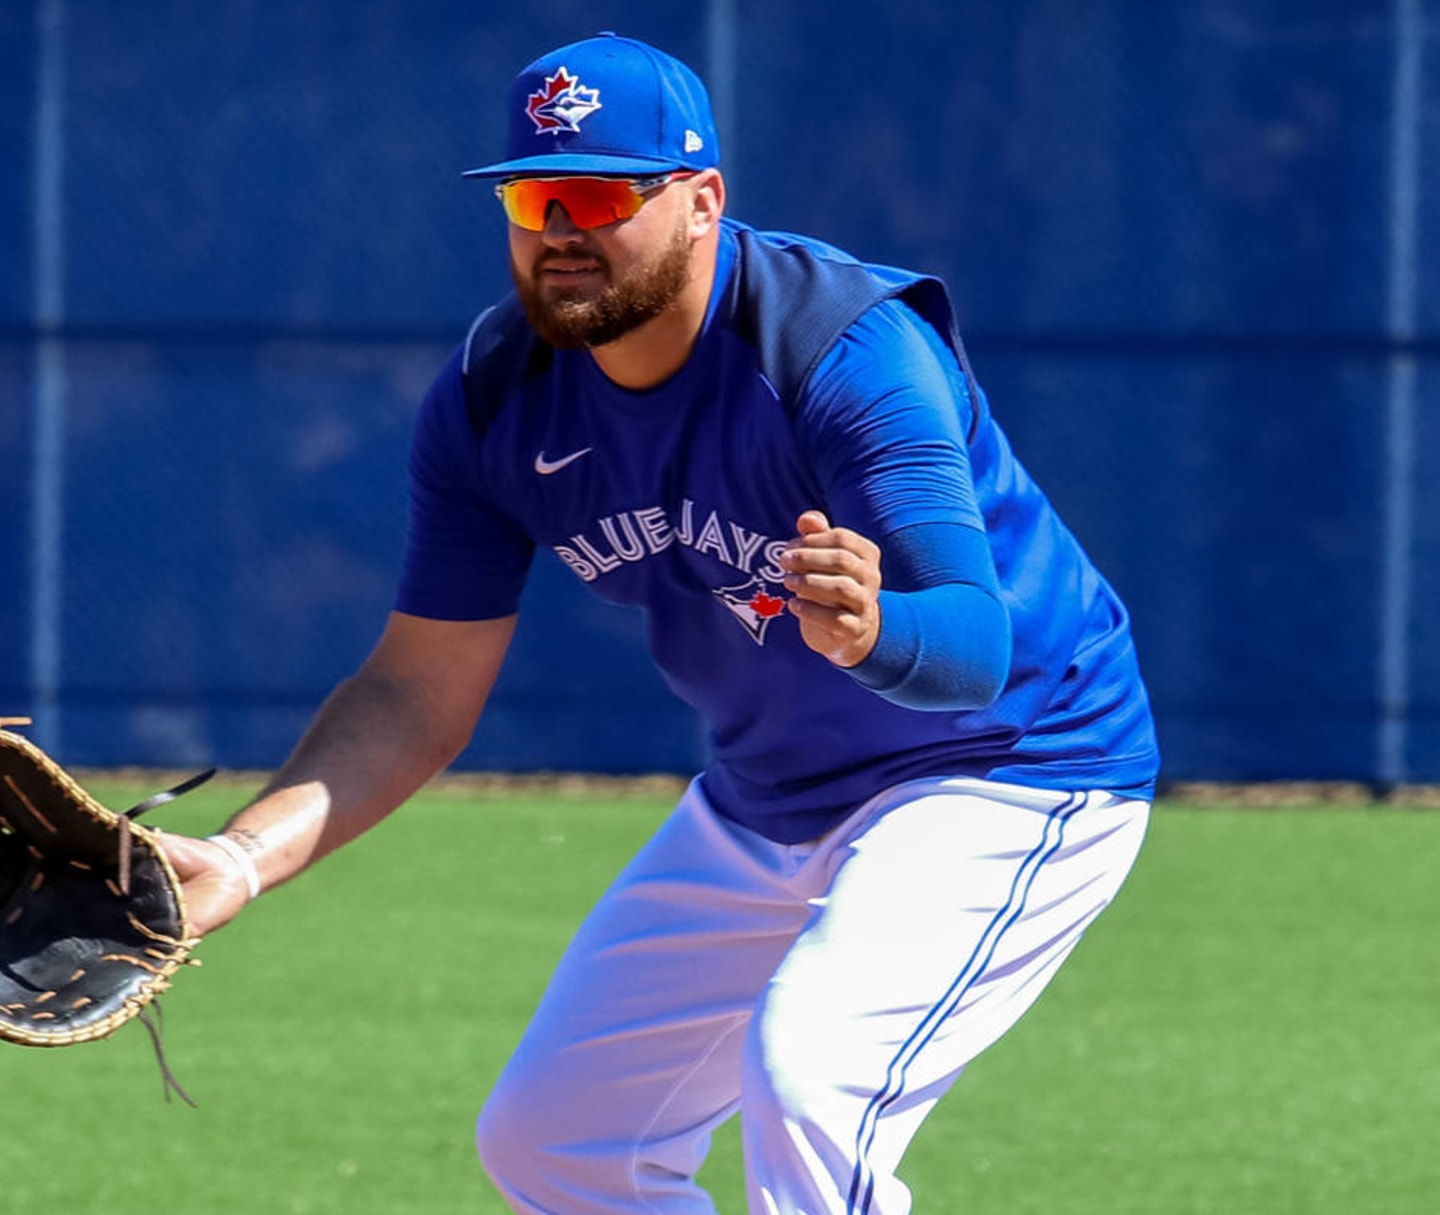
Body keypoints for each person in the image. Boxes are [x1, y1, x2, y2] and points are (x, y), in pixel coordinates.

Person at [161, 31, 1160, 1215]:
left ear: (701, 202)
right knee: (557, 1142)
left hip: (1008, 767)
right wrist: (236, 857)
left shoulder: (843, 352)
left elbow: (973, 649)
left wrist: (878, 630)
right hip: (768, 798)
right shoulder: (494, 399)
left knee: (813, 1082)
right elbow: (417, 689)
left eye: (598, 192)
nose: (560, 230)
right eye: (533, 198)